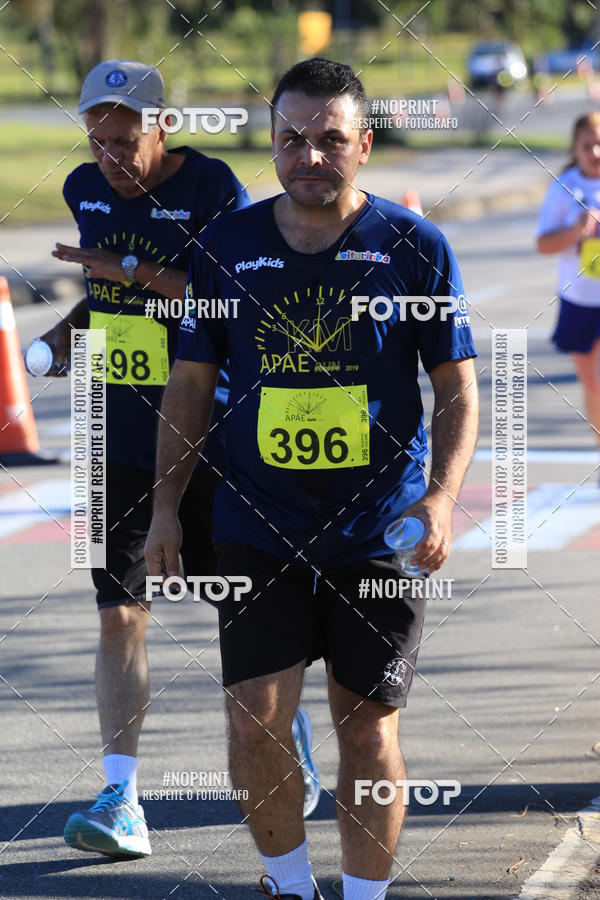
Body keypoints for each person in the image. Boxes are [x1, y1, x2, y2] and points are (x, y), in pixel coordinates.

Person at [145, 58, 479, 899]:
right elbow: (188, 386)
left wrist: (439, 497)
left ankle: (363, 896)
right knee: (254, 719)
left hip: (378, 532)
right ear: (272, 143)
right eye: (292, 138)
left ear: (363, 145)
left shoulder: (412, 247)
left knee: (366, 730)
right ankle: (288, 886)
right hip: (257, 525)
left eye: (331, 139)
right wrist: (166, 513)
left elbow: (456, 387)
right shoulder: (226, 249)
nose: (310, 156)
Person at [39, 58, 319, 859]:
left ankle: (280, 729)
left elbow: (224, 299)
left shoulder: (213, 189)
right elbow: (105, 294)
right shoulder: (83, 189)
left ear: (163, 126)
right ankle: (122, 798)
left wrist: (125, 270)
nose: (112, 159)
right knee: (119, 614)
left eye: (126, 140)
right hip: (116, 433)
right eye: (98, 142)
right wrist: (67, 334)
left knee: (239, 604)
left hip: (211, 432)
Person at [536, 111, 600, 463]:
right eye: (588, 145)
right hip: (579, 300)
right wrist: (576, 230)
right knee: (593, 387)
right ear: (575, 148)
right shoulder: (565, 188)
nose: (596, 152)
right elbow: (543, 244)